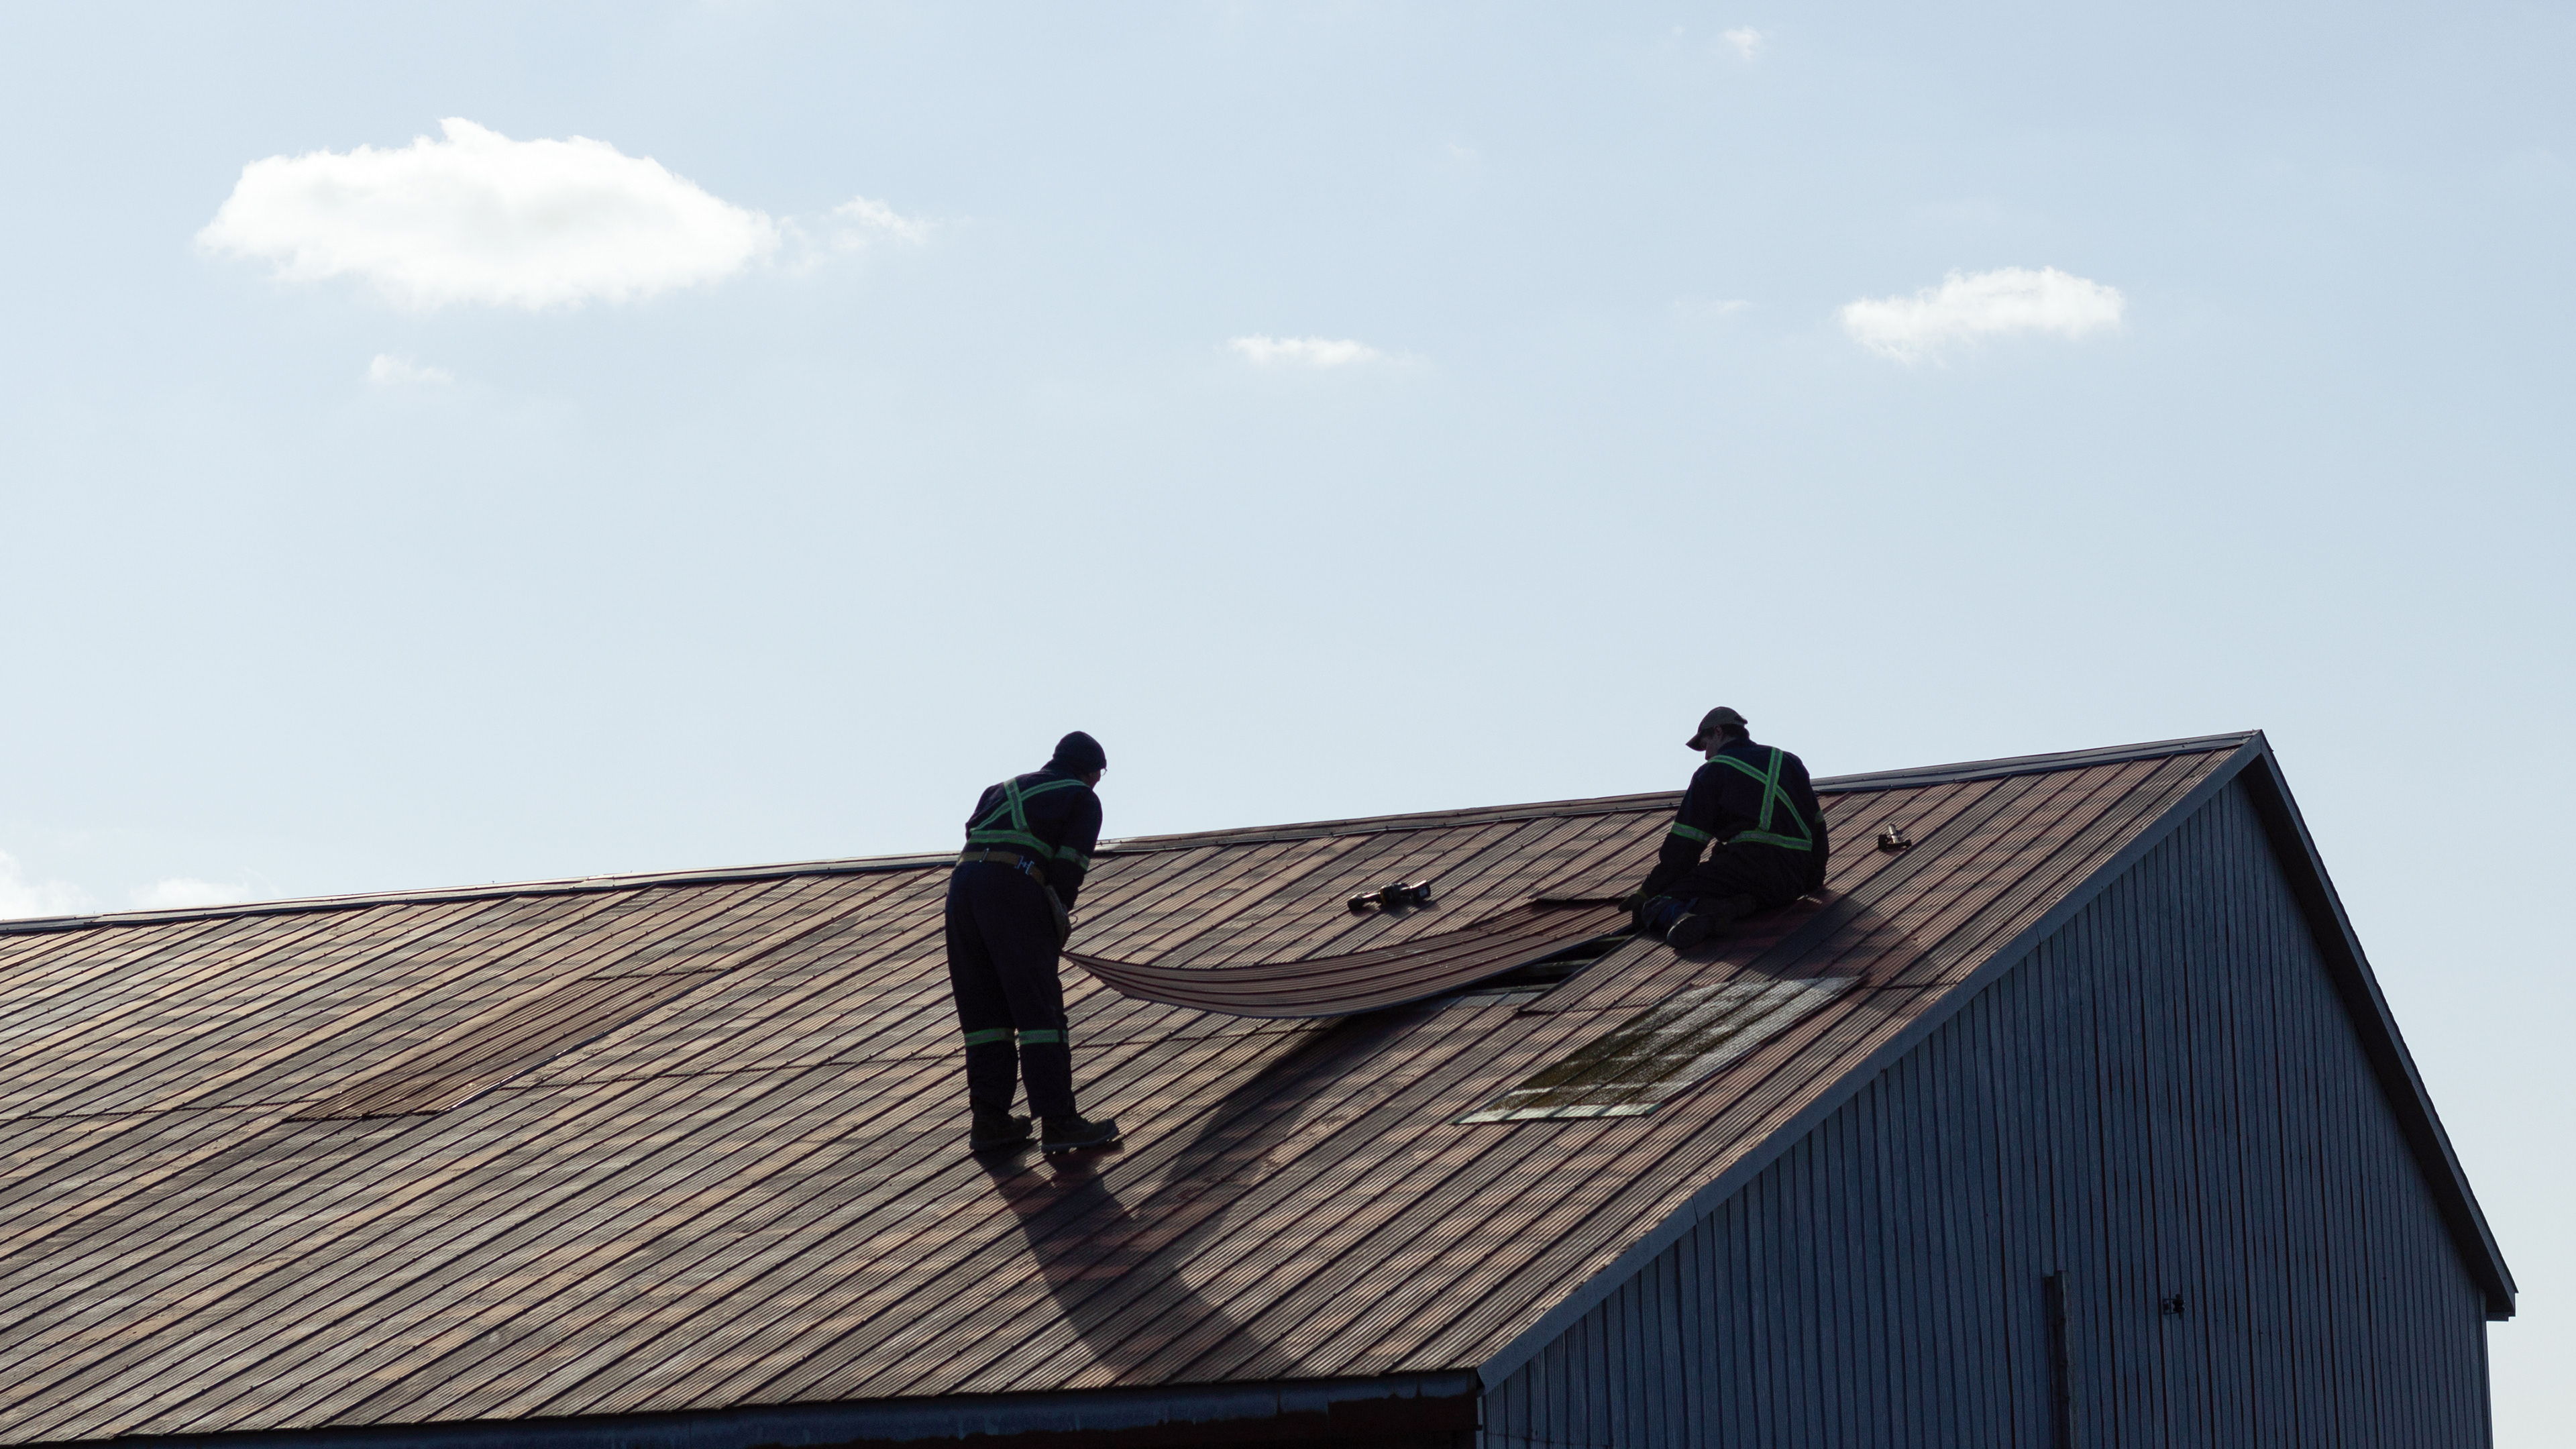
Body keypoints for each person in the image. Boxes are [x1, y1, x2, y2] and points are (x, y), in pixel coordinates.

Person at [948, 731, 1121, 1155]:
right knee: (1039, 1010)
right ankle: (1059, 1122)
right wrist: (1053, 921)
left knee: (985, 1012)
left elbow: (976, 833)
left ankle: (990, 1121)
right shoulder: (1082, 797)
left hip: (962, 893)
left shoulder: (999, 790)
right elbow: (1068, 867)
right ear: (1092, 771)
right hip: (1012, 889)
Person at [1627, 706, 1830, 949]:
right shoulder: (1790, 762)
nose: (1705, 756)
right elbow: (1818, 828)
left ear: (1718, 732)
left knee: (1661, 903)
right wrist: (1811, 883)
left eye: (1705, 746)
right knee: (1743, 894)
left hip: (1747, 868)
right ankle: (1735, 906)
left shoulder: (1714, 771)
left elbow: (1684, 849)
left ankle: (1684, 918)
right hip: (1790, 880)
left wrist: (1649, 891)